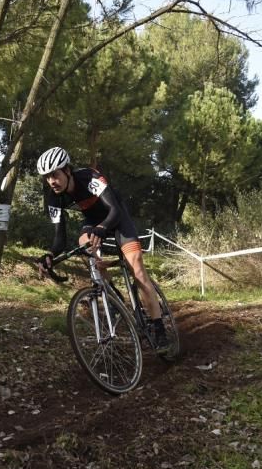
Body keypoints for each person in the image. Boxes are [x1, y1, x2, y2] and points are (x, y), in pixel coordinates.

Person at [36, 146, 168, 349]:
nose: (51, 181)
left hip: (115, 216)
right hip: (93, 219)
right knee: (85, 245)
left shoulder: (89, 177)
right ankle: (110, 294)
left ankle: (159, 329)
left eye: (54, 175)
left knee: (138, 270)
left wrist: (102, 228)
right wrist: (50, 254)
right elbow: (59, 238)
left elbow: (113, 210)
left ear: (67, 171)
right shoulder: (53, 197)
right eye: (47, 177)